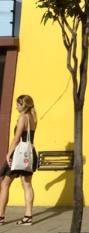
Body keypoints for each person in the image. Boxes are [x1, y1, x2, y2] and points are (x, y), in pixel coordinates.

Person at [0, 95, 38, 226]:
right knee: (27, 185)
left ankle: (0, 216)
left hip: (19, 154)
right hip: (29, 154)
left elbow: (16, 139)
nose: (16, 106)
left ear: (23, 105)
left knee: (5, 183)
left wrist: (8, 154)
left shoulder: (23, 117)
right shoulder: (33, 118)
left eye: (18, 104)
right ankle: (28, 216)